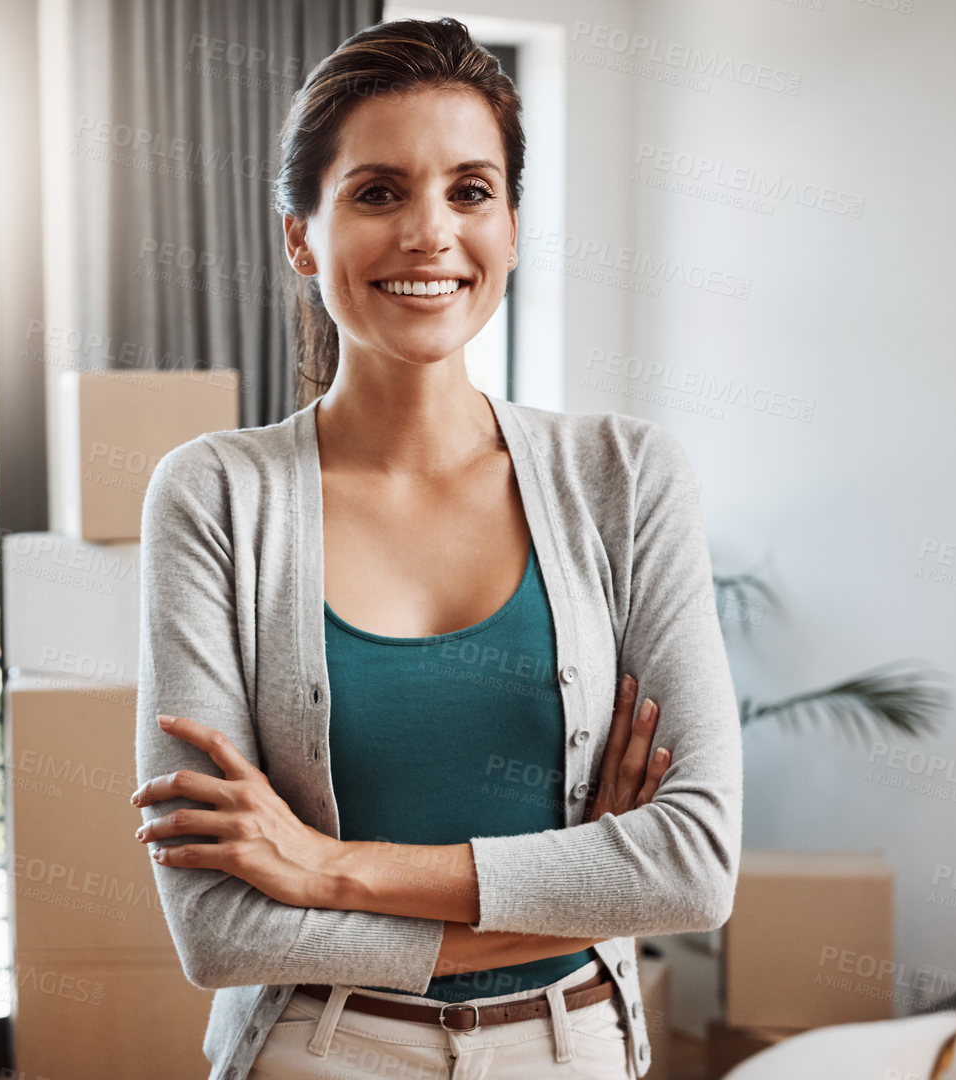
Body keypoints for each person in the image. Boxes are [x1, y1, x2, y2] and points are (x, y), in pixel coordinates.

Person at [130, 17, 743, 1080]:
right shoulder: (215, 496)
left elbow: (690, 866)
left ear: (509, 225)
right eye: (376, 192)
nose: (428, 233)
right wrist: (574, 886)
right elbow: (220, 929)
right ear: (300, 236)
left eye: (469, 190)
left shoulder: (624, 479)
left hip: (574, 1049)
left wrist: (329, 870)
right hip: (319, 1049)